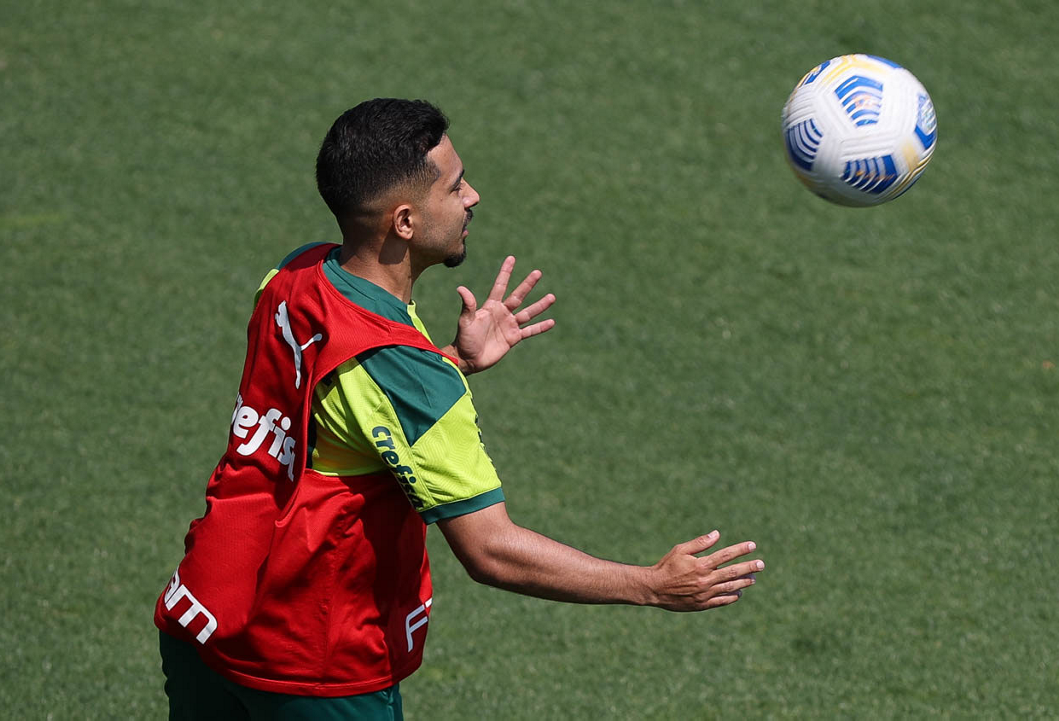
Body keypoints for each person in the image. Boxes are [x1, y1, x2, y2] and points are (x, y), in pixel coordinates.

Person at [155, 98, 764, 720]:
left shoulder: (298, 273)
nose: (473, 197)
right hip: (310, 667)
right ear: (405, 221)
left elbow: (334, 407)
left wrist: (452, 360)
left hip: (206, 618)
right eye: (455, 186)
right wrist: (650, 585)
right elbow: (489, 550)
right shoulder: (407, 376)